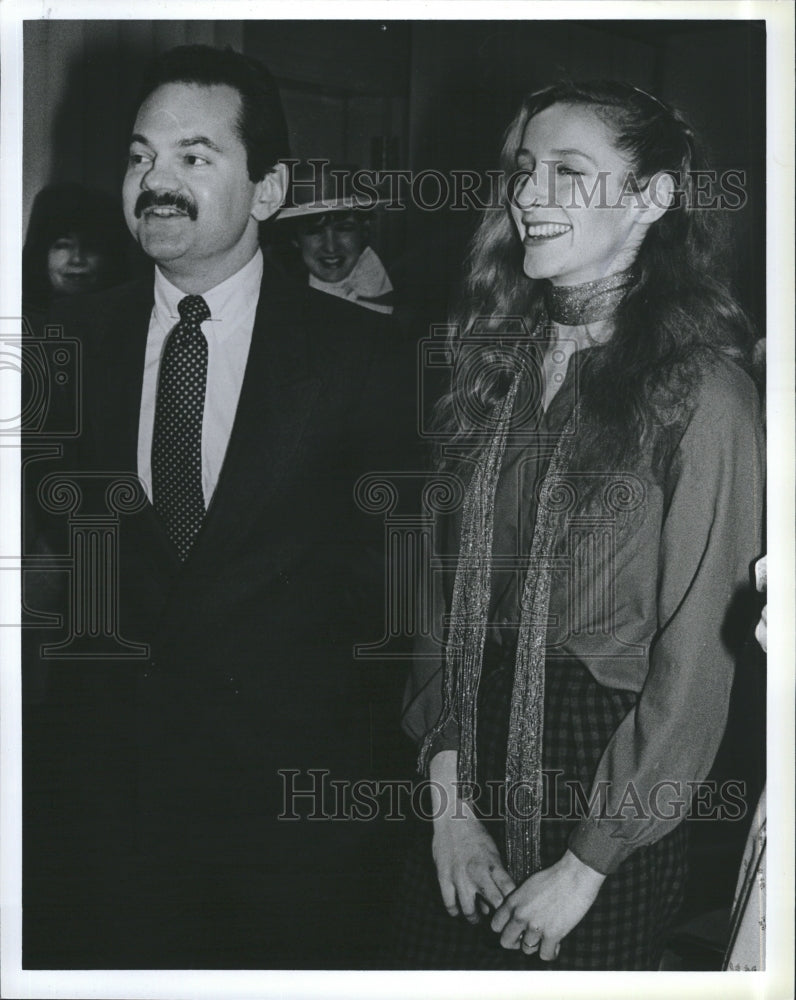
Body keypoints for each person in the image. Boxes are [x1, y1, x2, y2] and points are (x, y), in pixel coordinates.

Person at [22, 44, 413, 970]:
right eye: (139, 156)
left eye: (195, 157)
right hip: (109, 823)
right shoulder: (64, 348)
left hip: (293, 829)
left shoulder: (366, 360)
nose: (155, 182)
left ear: (269, 190)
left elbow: (393, 593)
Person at [396, 80, 764, 971]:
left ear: (653, 197)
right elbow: (431, 595)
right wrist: (447, 801)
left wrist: (587, 864)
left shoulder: (703, 394)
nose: (528, 197)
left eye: (569, 172)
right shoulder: (491, 366)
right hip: (460, 771)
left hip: (606, 792)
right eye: (525, 171)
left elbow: (699, 665)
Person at [272, 160, 395, 314]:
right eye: (314, 231)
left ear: (364, 230)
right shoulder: (275, 305)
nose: (331, 247)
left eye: (344, 229)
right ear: (295, 239)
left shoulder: (401, 296)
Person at [22, 182, 129, 328]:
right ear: (41, 253)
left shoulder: (124, 324)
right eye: (63, 246)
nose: (77, 259)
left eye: (91, 246)